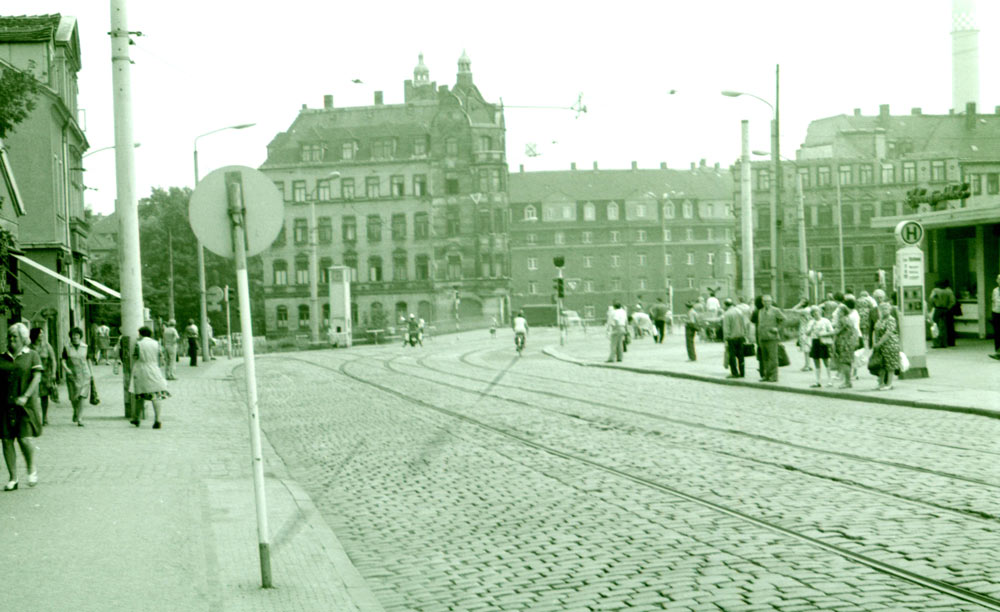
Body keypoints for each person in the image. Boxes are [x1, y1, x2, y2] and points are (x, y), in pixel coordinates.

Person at [1, 323, 43, 491]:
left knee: (25, 438)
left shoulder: (32, 355)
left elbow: (37, 378)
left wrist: (26, 396)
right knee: (6, 440)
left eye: (15, 337)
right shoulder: (2, 357)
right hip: (5, 404)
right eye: (10, 337)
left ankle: (31, 468)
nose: (12, 340)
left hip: (25, 405)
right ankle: (13, 478)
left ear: (23, 339)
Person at [129, 326, 169, 428]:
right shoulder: (157, 344)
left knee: (140, 395)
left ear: (141, 334)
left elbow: (135, 357)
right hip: (154, 369)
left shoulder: (139, 344)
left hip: (142, 370)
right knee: (156, 395)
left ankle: (136, 418)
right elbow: (161, 357)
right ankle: (158, 419)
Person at [61, 327, 92, 426]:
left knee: (82, 396)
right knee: (73, 397)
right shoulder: (67, 347)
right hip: (72, 374)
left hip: (84, 374)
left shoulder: (85, 347)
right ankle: (76, 411)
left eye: (77, 335)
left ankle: (80, 418)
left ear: (80, 336)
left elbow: (88, 360)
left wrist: (91, 373)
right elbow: (63, 361)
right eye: (73, 335)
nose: (75, 337)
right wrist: (67, 369)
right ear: (71, 336)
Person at [29, 328, 57, 426]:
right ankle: (35, 416)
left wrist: (53, 373)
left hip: (45, 374)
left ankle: (44, 417)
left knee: (44, 397)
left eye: (43, 334)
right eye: (40, 334)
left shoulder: (47, 346)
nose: (42, 336)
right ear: (35, 335)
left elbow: (53, 360)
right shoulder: (29, 347)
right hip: (32, 374)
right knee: (33, 396)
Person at [872, 301, 901, 390]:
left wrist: (879, 343)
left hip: (890, 344)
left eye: (886, 309)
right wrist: (875, 343)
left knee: (890, 365)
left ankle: (889, 384)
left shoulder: (891, 319)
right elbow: (875, 331)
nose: (884, 311)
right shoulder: (880, 320)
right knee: (881, 365)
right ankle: (881, 383)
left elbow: (888, 333)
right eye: (882, 309)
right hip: (880, 345)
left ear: (890, 309)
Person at [756, 294, 785, 382]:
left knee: (773, 358)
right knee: (765, 358)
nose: (766, 303)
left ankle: (774, 376)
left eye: (768, 301)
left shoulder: (776, 310)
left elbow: (783, 319)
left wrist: (778, 329)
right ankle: (766, 375)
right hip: (762, 337)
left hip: (772, 338)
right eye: (764, 301)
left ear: (771, 302)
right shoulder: (760, 311)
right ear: (762, 302)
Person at [831, 301, 859, 389]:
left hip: (843, 343)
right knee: (848, 362)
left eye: (839, 312)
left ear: (843, 312)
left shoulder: (842, 320)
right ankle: (848, 381)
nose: (838, 314)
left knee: (844, 362)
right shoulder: (849, 319)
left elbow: (836, 331)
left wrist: (824, 334)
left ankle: (847, 382)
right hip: (849, 343)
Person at [804, 305, 834, 388]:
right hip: (815, 341)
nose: (816, 314)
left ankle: (830, 380)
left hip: (823, 341)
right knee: (816, 361)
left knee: (826, 361)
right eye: (813, 313)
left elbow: (832, 331)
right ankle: (818, 381)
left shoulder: (825, 321)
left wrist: (823, 334)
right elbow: (807, 333)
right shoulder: (811, 322)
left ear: (820, 312)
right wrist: (811, 327)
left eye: (817, 312)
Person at [722, 299, 747, 378]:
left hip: (731, 338)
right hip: (740, 337)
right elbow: (744, 324)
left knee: (732, 356)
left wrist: (726, 338)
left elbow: (726, 328)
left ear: (726, 305)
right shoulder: (739, 312)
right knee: (741, 356)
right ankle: (742, 372)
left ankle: (734, 373)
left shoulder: (727, 314)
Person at [928, 280, 956, 349]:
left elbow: (931, 298)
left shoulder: (935, 290)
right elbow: (953, 301)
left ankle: (937, 343)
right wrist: (948, 307)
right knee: (944, 327)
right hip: (945, 309)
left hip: (937, 309)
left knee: (935, 326)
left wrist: (933, 304)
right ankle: (944, 343)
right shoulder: (949, 291)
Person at [791, 298, 813, 371]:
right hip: (809, 329)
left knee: (805, 348)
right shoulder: (809, 309)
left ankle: (807, 365)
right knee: (807, 348)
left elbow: (793, 310)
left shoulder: (804, 311)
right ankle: (808, 364)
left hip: (804, 329)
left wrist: (799, 304)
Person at [991, 274, 1000, 360]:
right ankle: (997, 351)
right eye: (998, 279)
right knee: (997, 333)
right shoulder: (995, 290)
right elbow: (993, 301)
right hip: (996, 312)